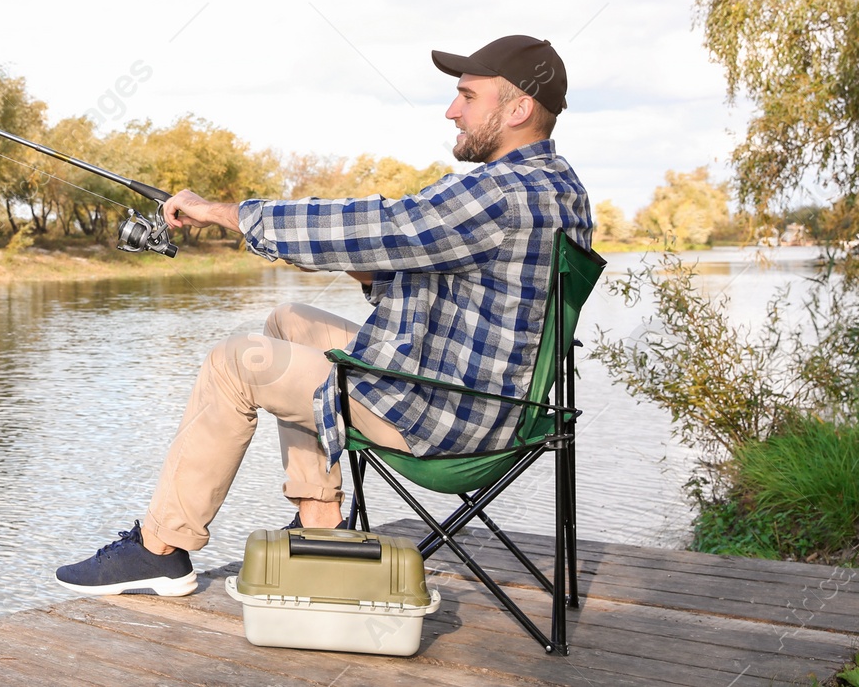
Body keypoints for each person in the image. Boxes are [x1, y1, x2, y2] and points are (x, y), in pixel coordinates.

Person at [55, 34, 594, 596]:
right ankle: (321, 526)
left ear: (518, 108)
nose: (451, 110)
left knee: (233, 362)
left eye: (467, 96)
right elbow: (458, 285)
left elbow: (382, 225)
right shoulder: (560, 186)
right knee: (290, 320)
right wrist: (330, 256)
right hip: (492, 399)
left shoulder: (500, 193)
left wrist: (227, 214)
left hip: (452, 419)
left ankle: (160, 548)